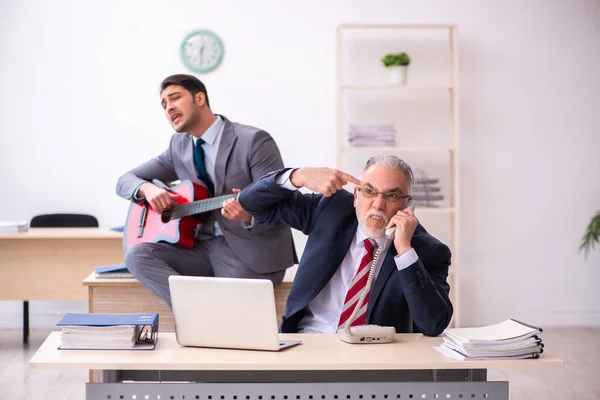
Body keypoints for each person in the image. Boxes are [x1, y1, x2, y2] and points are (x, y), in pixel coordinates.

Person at [116, 74, 295, 308]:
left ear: (199, 98)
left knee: (235, 308)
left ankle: (202, 314)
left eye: (174, 98)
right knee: (137, 255)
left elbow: (278, 202)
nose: (168, 107)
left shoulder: (253, 140)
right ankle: (195, 310)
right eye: (164, 104)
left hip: (247, 251)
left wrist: (249, 214)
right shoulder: (178, 146)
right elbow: (124, 180)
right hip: (199, 248)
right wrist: (146, 188)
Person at [238, 155, 453, 336]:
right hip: (307, 344)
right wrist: (298, 175)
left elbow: (433, 325)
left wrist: (405, 250)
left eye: (392, 195)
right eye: (369, 191)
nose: (378, 204)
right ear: (356, 195)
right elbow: (251, 203)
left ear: (407, 204)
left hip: (373, 362)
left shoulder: (428, 251)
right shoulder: (329, 209)